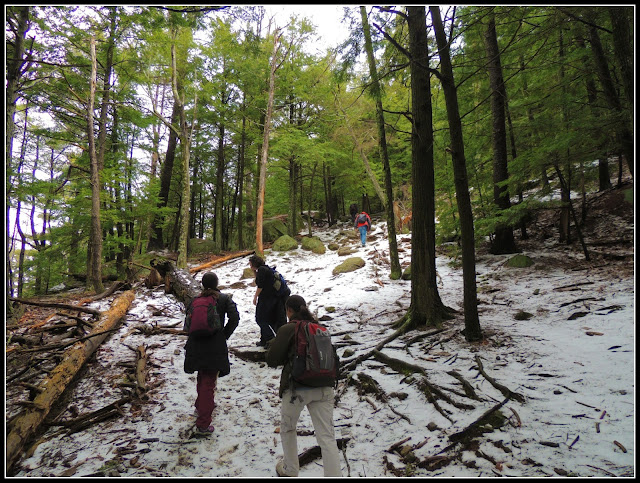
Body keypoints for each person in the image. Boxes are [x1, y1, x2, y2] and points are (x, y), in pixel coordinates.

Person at [266, 295, 342, 477]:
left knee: (288, 428)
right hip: (324, 387)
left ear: (289, 311)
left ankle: (290, 470)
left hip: (297, 388)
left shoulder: (288, 329)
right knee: (327, 436)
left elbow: (272, 359)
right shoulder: (320, 329)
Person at [183, 272, 239, 435]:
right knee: (208, 381)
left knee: (203, 377)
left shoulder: (195, 300)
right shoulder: (223, 299)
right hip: (214, 345)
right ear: (217, 283)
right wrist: (223, 335)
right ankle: (203, 424)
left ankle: (202, 406)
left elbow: (188, 322)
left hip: (195, 344)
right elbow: (235, 318)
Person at [249, 254, 290, 347]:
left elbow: (260, 285)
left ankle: (270, 339)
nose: (250, 266)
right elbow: (259, 281)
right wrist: (254, 272)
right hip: (275, 298)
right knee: (269, 318)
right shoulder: (264, 269)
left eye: (251, 264)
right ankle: (265, 340)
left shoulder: (262, 270)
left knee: (260, 318)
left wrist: (255, 297)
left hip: (268, 299)